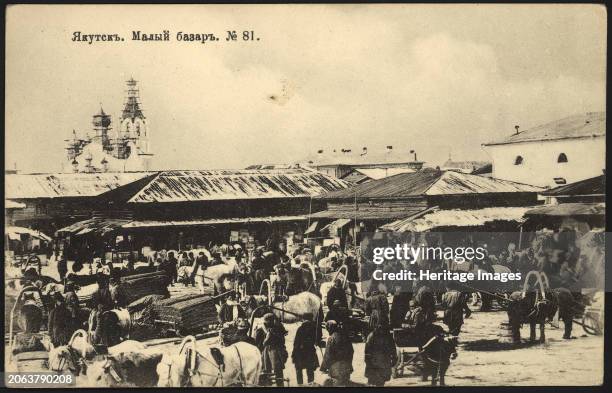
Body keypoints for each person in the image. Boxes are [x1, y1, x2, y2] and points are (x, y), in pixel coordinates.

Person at [255, 313, 288, 387]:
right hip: (270, 350)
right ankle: (274, 384)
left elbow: (262, 343)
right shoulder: (264, 329)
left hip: (273, 350)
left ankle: (277, 384)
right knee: (271, 369)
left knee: (275, 369)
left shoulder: (276, 328)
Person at [364, 318, 398, 386]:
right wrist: (367, 358)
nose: (381, 327)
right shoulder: (373, 335)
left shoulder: (387, 336)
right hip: (375, 361)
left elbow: (393, 348)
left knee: (380, 380)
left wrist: (394, 357)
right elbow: (367, 348)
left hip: (382, 361)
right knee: (375, 380)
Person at [320, 320, 354, 386]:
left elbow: (328, 354)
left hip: (336, 368)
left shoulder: (332, 338)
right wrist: (349, 362)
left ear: (330, 328)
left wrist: (323, 368)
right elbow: (351, 350)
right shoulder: (345, 336)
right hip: (346, 366)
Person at [292, 313, 321, 386]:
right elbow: (318, 338)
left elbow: (296, 342)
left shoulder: (300, 328)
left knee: (299, 368)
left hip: (300, 352)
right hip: (310, 351)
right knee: (310, 368)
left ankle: (300, 383)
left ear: (304, 319)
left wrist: (294, 353)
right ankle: (310, 382)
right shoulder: (315, 328)